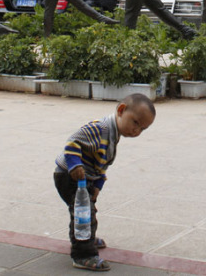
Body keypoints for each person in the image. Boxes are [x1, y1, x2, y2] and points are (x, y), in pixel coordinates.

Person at [54, 93, 156, 272]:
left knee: (88, 211)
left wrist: (97, 186)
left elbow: (102, 165)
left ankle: (87, 239)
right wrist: (75, 165)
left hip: (85, 181)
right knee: (83, 214)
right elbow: (72, 143)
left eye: (142, 129)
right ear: (121, 110)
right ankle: (82, 254)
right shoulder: (100, 128)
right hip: (69, 177)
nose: (136, 131)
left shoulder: (113, 135)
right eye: (135, 122)